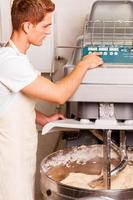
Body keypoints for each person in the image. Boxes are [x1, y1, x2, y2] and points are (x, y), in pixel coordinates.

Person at [0, 0, 103, 200]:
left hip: (20, 153)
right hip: (9, 158)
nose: (48, 32)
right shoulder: (10, 62)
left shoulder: (16, 58)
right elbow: (59, 94)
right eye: (45, 25)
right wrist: (83, 64)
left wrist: (43, 119)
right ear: (28, 26)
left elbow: (9, 103)